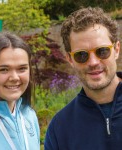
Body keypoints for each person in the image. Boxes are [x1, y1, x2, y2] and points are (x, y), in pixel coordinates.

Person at [45, 7, 122, 150]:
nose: (93, 62)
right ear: (69, 59)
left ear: (116, 50)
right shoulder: (60, 128)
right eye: (81, 55)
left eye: (102, 51)